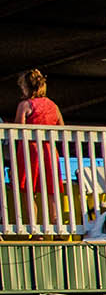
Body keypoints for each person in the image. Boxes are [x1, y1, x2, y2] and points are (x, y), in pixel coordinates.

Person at [13, 68, 64, 224]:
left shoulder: (25, 105)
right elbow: (61, 127)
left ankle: (35, 228)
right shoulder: (53, 105)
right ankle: (56, 224)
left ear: (26, 87)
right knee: (52, 189)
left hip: (30, 150)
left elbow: (17, 129)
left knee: (30, 190)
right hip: (49, 150)